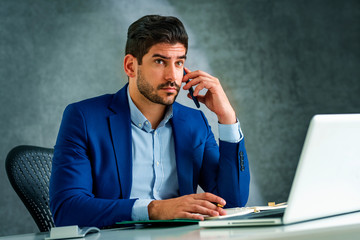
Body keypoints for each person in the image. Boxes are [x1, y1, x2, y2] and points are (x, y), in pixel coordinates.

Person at [49, 15, 250, 228]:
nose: (173, 76)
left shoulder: (194, 122)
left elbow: (231, 202)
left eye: (179, 62)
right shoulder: (83, 117)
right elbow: (67, 210)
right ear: (130, 66)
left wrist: (227, 118)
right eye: (160, 61)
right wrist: (154, 209)